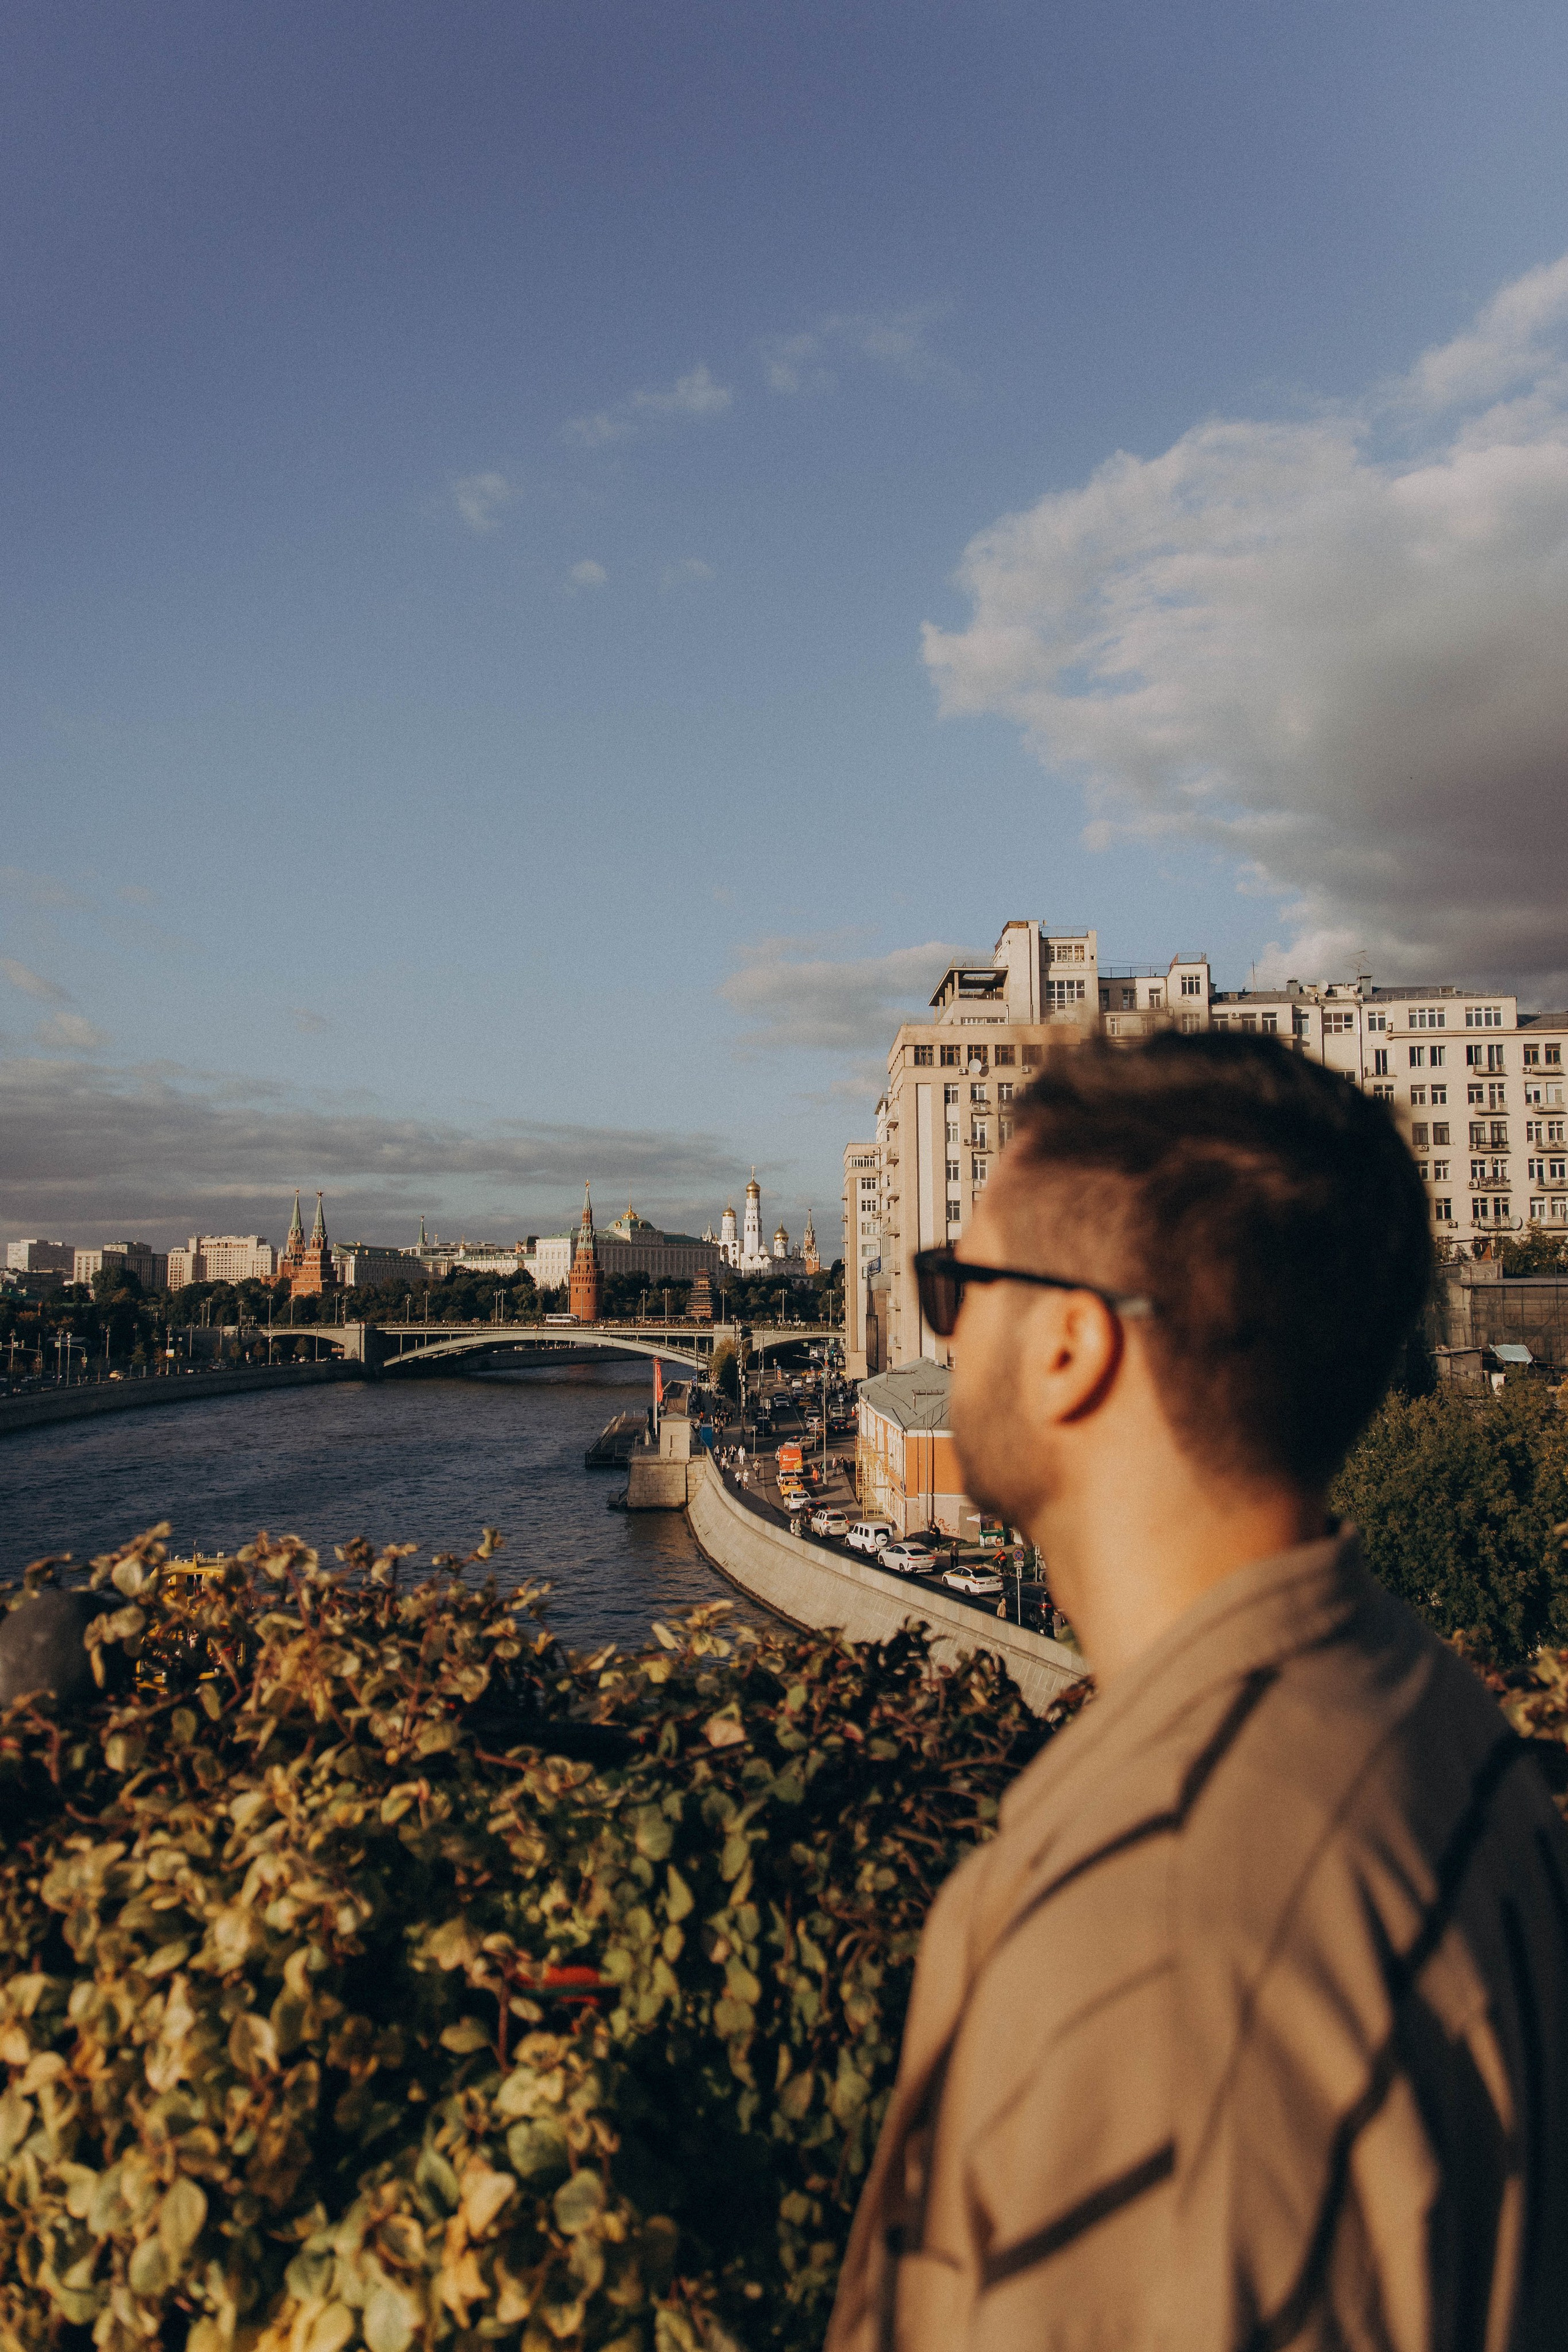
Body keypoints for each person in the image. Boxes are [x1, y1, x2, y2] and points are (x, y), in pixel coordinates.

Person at [827, 1031, 1568, 2352]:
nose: (941, 1321)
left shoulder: (1165, 1923)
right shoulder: (1433, 1720)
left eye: (958, 1283)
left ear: (1067, 1344)